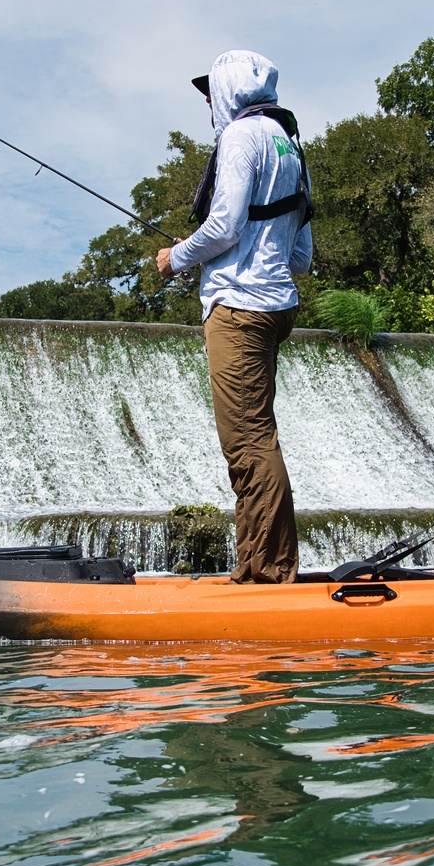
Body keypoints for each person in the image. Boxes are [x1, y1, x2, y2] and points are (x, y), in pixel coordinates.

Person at [156, 50, 313, 584]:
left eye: (211, 92)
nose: (208, 103)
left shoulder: (240, 136)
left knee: (248, 442)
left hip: (239, 307)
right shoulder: (289, 143)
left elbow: (224, 226)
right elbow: (300, 255)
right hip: (275, 304)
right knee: (254, 436)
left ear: (229, 90)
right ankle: (253, 565)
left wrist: (176, 257)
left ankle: (270, 572)